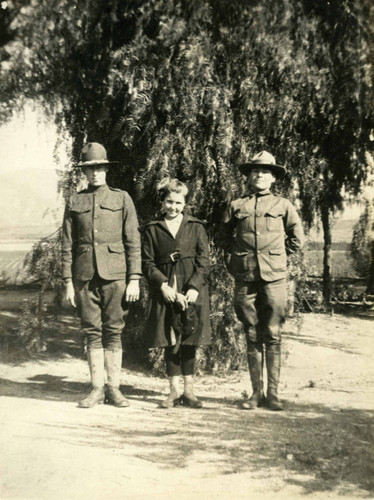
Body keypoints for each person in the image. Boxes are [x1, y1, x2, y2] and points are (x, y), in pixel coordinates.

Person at [218, 151, 304, 411]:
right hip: (245, 277)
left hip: (274, 278)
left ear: (273, 178)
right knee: (252, 332)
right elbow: (222, 237)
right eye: (255, 170)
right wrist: (237, 260)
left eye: (265, 171)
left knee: (273, 333)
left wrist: (275, 257)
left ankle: (274, 394)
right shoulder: (236, 205)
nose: (259, 174)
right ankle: (256, 394)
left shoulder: (283, 205)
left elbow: (296, 240)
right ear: (248, 176)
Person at [62, 142, 142, 408]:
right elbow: (67, 245)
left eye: (99, 168)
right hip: (84, 277)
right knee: (92, 332)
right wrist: (67, 283)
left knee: (114, 330)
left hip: (116, 276)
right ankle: (96, 388)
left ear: (106, 169)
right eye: (89, 169)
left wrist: (134, 279)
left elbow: (133, 241)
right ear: (83, 172)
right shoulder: (75, 200)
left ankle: (114, 388)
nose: (95, 173)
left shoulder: (122, 198)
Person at [142, 178, 211, 408]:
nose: (173, 207)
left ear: (185, 204)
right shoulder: (153, 229)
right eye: (169, 202)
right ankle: (173, 391)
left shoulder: (196, 227)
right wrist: (162, 285)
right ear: (162, 202)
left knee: (189, 339)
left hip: (192, 291)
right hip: (167, 292)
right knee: (170, 339)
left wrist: (193, 287)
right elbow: (147, 263)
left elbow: (204, 262)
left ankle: (189, 392)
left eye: (178, 203)